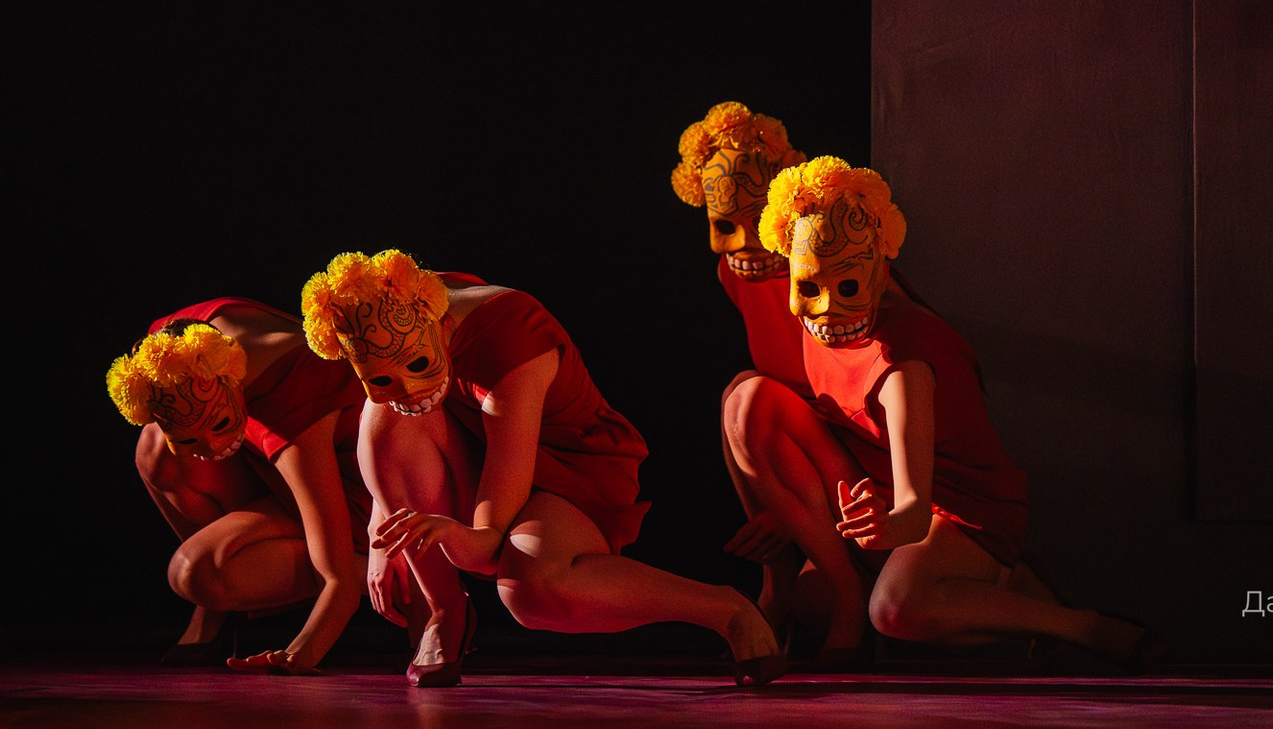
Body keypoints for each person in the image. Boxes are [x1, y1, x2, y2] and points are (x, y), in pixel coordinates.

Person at [726, 156, 1157, 666]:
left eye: (847, 289)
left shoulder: (903, 361)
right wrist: (791, 512)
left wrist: (885, 528)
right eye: (808, 288)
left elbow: (914, 512)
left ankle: (1079, 625)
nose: (826, 310)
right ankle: (986, 592)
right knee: (745, 396)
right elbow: (788, 421)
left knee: (894, 610)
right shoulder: (816, 304)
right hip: (872, 489)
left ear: (879, 274)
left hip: (951, 507)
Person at [299, 249, 786, 687]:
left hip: (569, 471)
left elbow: (485, 543)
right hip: (474, 447)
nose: (407, 390)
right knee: (383, 414)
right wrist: (384, 516)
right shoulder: (396, 301)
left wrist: (445, 533)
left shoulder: (511, 343)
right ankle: (444, 610)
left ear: (443, 325)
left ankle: (726, 609)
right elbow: (392, 424)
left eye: (419, 365)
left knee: (532, 590)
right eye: (380, 378)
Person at [106, 297, 371, 673]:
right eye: (190, 439)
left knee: (195, 571)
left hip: (352, 498)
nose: (212, 449)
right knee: (155, 449)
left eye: (220, 425)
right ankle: (216, 607)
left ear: (233, 375)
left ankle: (397, 574)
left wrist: (300, 653)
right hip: (272, 472)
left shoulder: (293, 390)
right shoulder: (169, 345)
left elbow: (337, 582)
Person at [670, 101, 813, 639]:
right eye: (727, 225)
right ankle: (777, 580)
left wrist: (791, 513)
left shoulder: (822, 269)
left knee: (747, 393)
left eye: (760, 222)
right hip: (798, 443)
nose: (748, 243)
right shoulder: (732, 274)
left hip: (851, 446)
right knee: (740, 391)